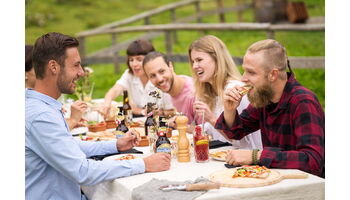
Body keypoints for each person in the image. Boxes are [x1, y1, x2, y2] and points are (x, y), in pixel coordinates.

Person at [25, 32, 171, 200]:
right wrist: (143, 164)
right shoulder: (41, 116)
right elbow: (82, 171)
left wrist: (116, 145)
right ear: (53, 67)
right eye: (76, 65)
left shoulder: (41, 106)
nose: (81, 72)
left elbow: (69, 146)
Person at [215, 39, 325, 177]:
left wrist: (256, 156)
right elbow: (235, 133)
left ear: (273, 74)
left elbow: (313, 161)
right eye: (244, 71)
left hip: (307, 187)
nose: (243, 78)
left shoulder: (303, 102)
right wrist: (230, 109)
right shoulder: (264, 97)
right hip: (275, 179)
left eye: (251, 72)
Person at [188, 35, 262, 150]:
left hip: (248, 163)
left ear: (217, 59)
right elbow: (211, 130)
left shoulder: (236, 91)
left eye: (199, 60)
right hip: (226, 158)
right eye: (193, 61)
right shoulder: (212, 92)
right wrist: (182, 126)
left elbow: (241, 142)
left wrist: (211, 118)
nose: (194, 66)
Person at [99, 39, 173, 118]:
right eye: (131, 60)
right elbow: (115, 90)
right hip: (137, 121)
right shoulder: (129, 74)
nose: (134, 64)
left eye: (139, 59)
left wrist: (155, 112)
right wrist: (106, 104)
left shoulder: (160, 79)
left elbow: (172, 111)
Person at [142, 51, 196, 124]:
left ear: (170, 66)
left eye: (162, 71)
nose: (159, 79)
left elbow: (207, 131)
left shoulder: (193, 93)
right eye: (152, 76)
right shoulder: (170, 90)